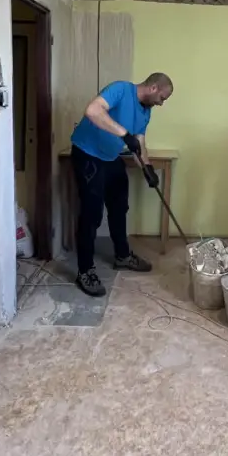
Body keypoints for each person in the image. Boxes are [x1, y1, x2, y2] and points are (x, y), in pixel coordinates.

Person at [70, 72, 173, 296]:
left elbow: (139, 143)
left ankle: (122, 256)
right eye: (162, 98)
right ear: (153, 88)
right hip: (88, 155)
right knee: (91, 214)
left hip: (110, 158)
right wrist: (124, 134)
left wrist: (147, 168)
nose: (161, 103)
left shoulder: (146, 111)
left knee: (119, 206)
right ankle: (85, 270)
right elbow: (93, 111)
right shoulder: (121, 89)